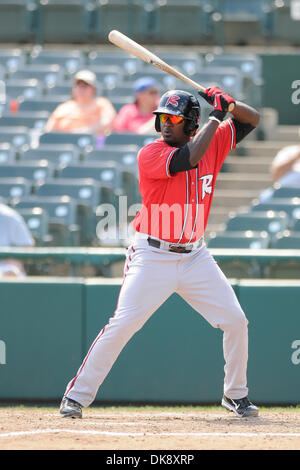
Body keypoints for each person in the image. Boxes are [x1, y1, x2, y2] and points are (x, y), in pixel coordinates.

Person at [60, 86, 260, 419]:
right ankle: (76, 396)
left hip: (195, 256)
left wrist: (229, 103)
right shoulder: (151, 153)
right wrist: (217, 113)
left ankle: (235, 395)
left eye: (173, 118)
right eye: (162, 118)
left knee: (236, 321)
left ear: (191, 122)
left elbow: (251, 120)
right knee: (123, 324)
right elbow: (188, 158)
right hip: (153, 254)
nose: (165, 124)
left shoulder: (214, 141)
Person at [44, 70, 117, 144]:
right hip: (66, 143)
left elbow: (107, 122)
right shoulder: (63, 107)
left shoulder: (102, 103)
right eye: (78, 85)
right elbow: (49, 130)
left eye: (85, 86)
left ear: (93, 89)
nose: (81, 89)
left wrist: (83, 132)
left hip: (95, 143)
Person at [0, 202, 34, 277]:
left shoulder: (9, 217)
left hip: (3, 269)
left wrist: (13, 262)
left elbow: (27, 248)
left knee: (11, 271)